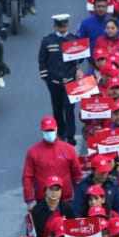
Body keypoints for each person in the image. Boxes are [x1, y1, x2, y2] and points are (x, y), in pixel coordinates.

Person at [39, 14, 81, 143]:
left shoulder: (74, 39)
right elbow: (42, 60)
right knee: (57, 108)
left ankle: (70, 135)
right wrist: (47, 78)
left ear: (67, 25)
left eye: (64, 26)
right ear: (55, 26)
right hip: (54, 81)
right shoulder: (47, 41)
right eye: (59, 26)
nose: (62, 29)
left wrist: (78, 69)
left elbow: (81, 58)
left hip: (70, 81)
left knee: (69, 109)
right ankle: (61, 133)